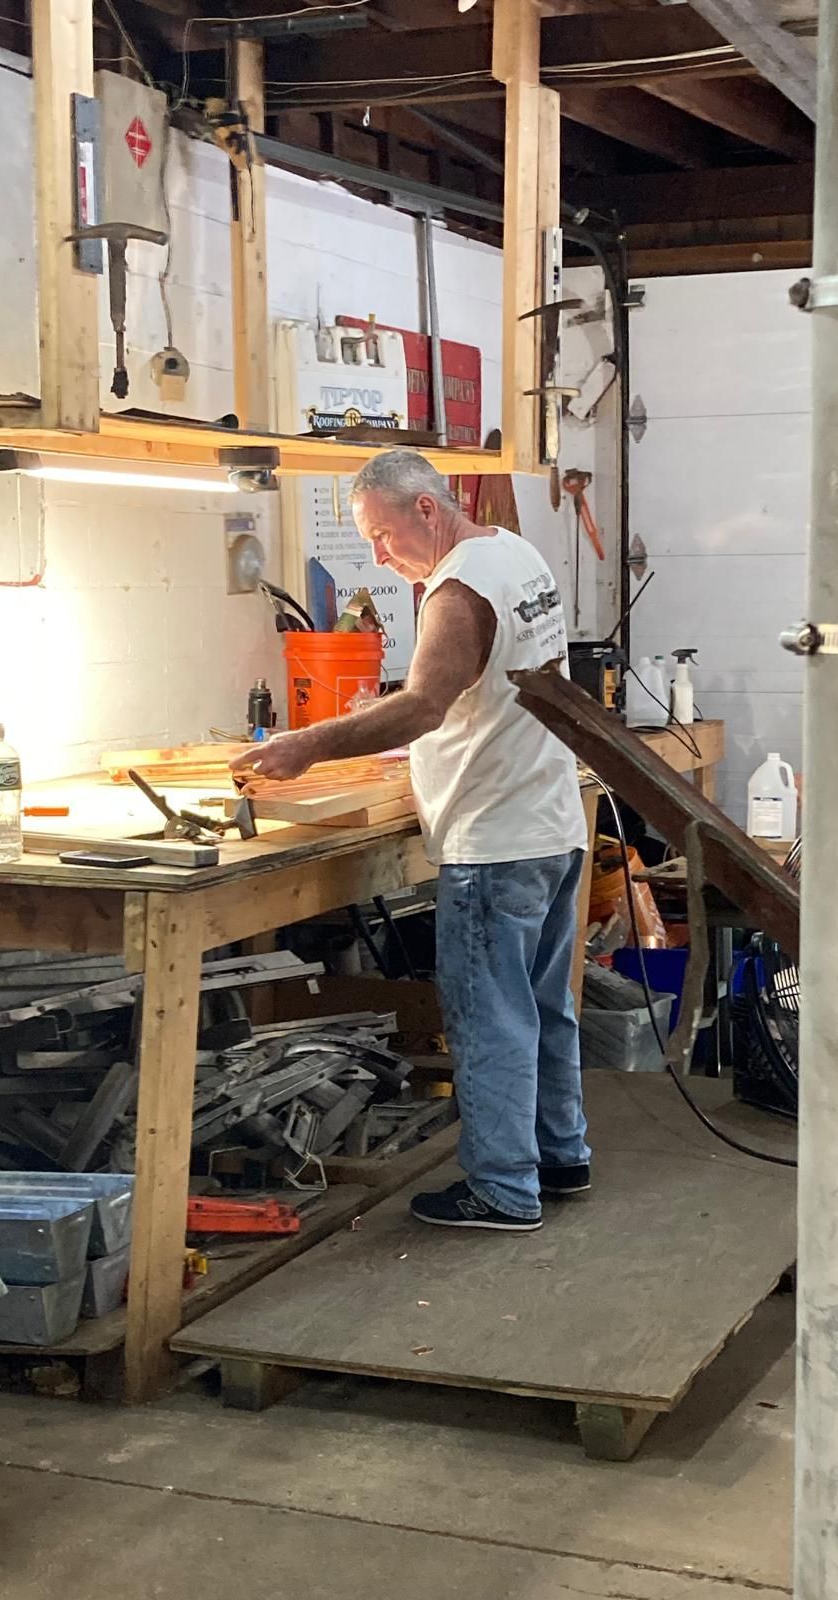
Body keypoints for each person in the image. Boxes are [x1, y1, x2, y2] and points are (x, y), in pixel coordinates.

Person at [232, 450, 590, 1232]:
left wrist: (308, 745)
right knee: (540, 1007)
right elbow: (487, 690)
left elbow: (426, 704)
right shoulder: (515, 554)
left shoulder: (458, 591)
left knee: (490, 1016)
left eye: (382, 535)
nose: (378, 556)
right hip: (550, 823)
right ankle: (561, 1157)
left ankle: (502, 1188)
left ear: (426, 510)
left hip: (494, 840)